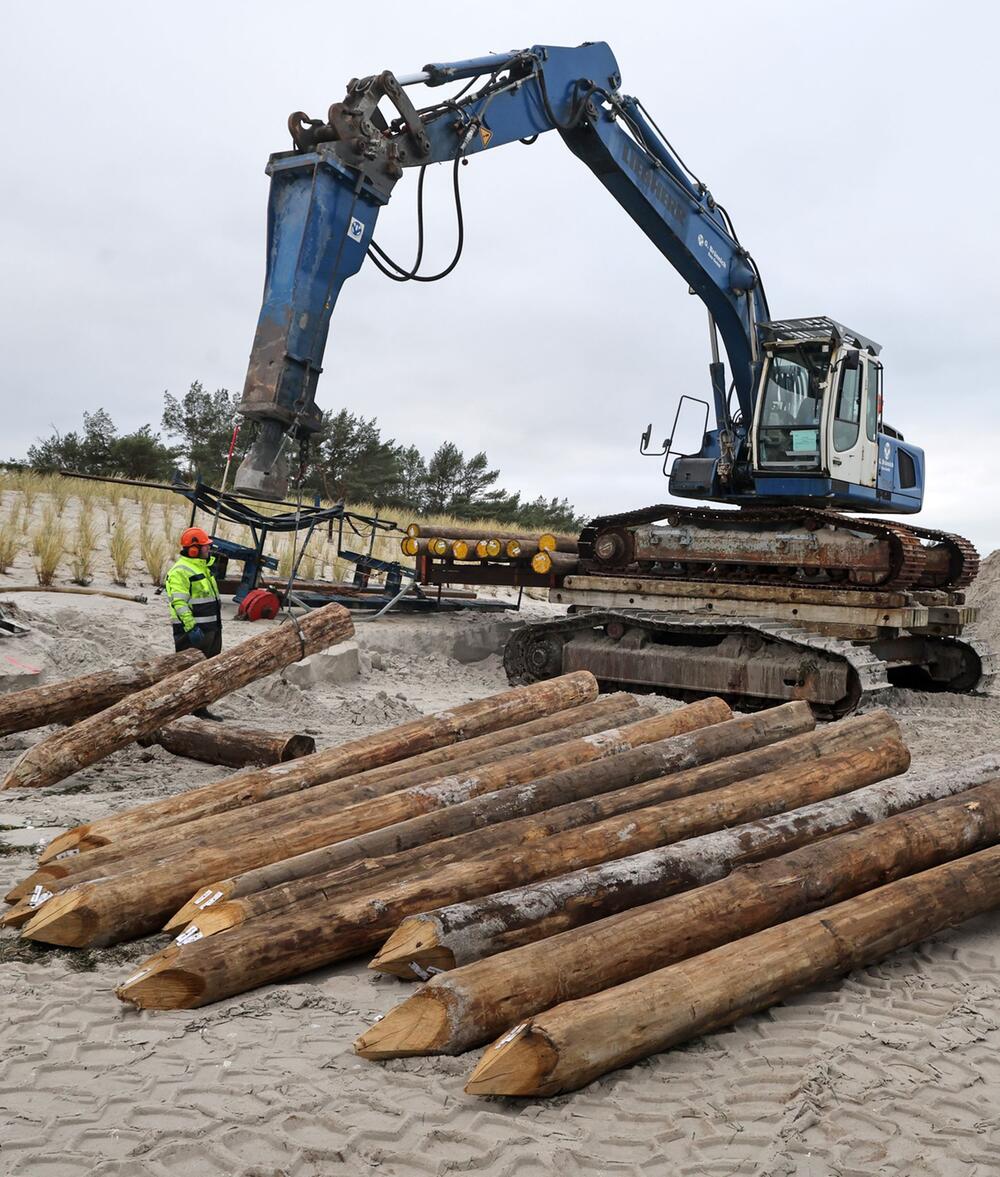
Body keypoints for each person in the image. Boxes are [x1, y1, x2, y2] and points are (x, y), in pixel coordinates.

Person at [165, 526, 222, 658]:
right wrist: (191, 628)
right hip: (193, 633)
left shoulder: (203, 568)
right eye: (205, 546)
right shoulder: (180, 571)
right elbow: (179, 602)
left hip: (211, 629)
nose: (208, 548)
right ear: (193, 550)